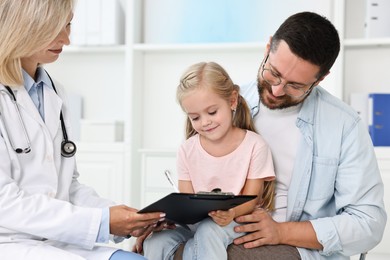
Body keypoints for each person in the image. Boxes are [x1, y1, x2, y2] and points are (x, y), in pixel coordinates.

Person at [0, 1, 164, 259]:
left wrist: (127, 217)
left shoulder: (54, 92)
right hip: (9, 242)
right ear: (24, 27)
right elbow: (4, 203)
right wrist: (102, 222)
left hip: (58, 238)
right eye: (54, 29)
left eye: (67, 25)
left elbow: (69, 186)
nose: (66, 39)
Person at [223, 11, 387, 260]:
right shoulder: (226, 105)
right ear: (268, 48)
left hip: (295, 249)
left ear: (320, 79)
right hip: (222, 232)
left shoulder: (345, 126)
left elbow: (368, 224)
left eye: (295, 85)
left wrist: (280, 232)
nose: (277, 90)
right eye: (273, 73)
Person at [142, 61, 276, 259]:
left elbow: (251, 199)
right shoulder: (187, 150)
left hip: (235, 220)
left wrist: (230, 214)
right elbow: (187, 200)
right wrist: (168, 218)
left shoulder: (255, 145)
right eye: (195, 118)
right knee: (155, 240)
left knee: (207, 230)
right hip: (197, 223)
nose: (205, 122)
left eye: (212, 112)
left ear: (232, 101)